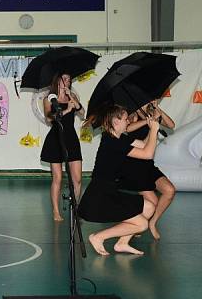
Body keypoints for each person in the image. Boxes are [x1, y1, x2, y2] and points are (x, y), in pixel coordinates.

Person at [78, 104, 158, 255]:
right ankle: (98, 237)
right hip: (100, 196)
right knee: (142, 224)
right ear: (116, 122)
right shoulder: (113, 142)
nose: (129, 122)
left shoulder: (117, 138)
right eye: (126, 119)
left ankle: (122, 243)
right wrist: (154, 130)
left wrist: (150, 126)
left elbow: (145, 145)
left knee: (149, 207)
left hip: (110, 191)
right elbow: (148, 154)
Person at [119, 100, 176, 239]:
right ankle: (130, 227)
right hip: (133, 165)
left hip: (148, 164)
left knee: (169, 190)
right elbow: (128, 129)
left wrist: (157, 109)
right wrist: (147, 121)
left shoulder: (152, 112)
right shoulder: (131, 115)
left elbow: (171, 125)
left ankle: (152, 223)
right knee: (152, 203)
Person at [41, 73, 84, 221]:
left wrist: (73, 100)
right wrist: (66, 110)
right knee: (58, 178)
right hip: (56, 138)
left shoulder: (71, 96)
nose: (67, 81)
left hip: (71, 138)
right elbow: (49, 118)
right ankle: (56, 211)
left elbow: (83, 113)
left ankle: (75, 208)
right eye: (64, 78)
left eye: (69, 79)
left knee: (77, 179)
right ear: (57, 80)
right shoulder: (49, 98)